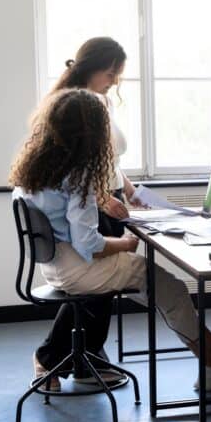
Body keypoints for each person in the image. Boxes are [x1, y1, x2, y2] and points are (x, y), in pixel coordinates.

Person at [12, 89, 211, 391]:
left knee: (163, 291)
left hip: (54, 267)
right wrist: (125, 244)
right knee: (171, 290)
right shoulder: (78, 173)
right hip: (80, 268)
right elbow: (89, 245)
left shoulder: (39, 168)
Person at [30, 37, 138, 389]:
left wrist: (129, 187)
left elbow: (109, 158)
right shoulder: (73, 106)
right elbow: (72, 163)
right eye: (110, 73)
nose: (114, 81)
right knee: (94, 287)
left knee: (100, 291)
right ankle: (50, 357)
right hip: (93, 199)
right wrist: (102, 196)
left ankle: (87, 358)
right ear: (92, 68)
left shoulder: (100, 101)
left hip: (108, 195)